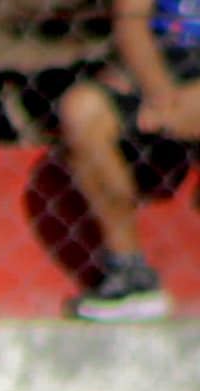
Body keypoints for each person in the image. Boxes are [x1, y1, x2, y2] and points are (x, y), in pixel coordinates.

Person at [56, 0, 199, 321]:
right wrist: (163, 98)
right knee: (83, 110)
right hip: (163, 68)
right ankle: (130, 275)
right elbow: (130, 23)